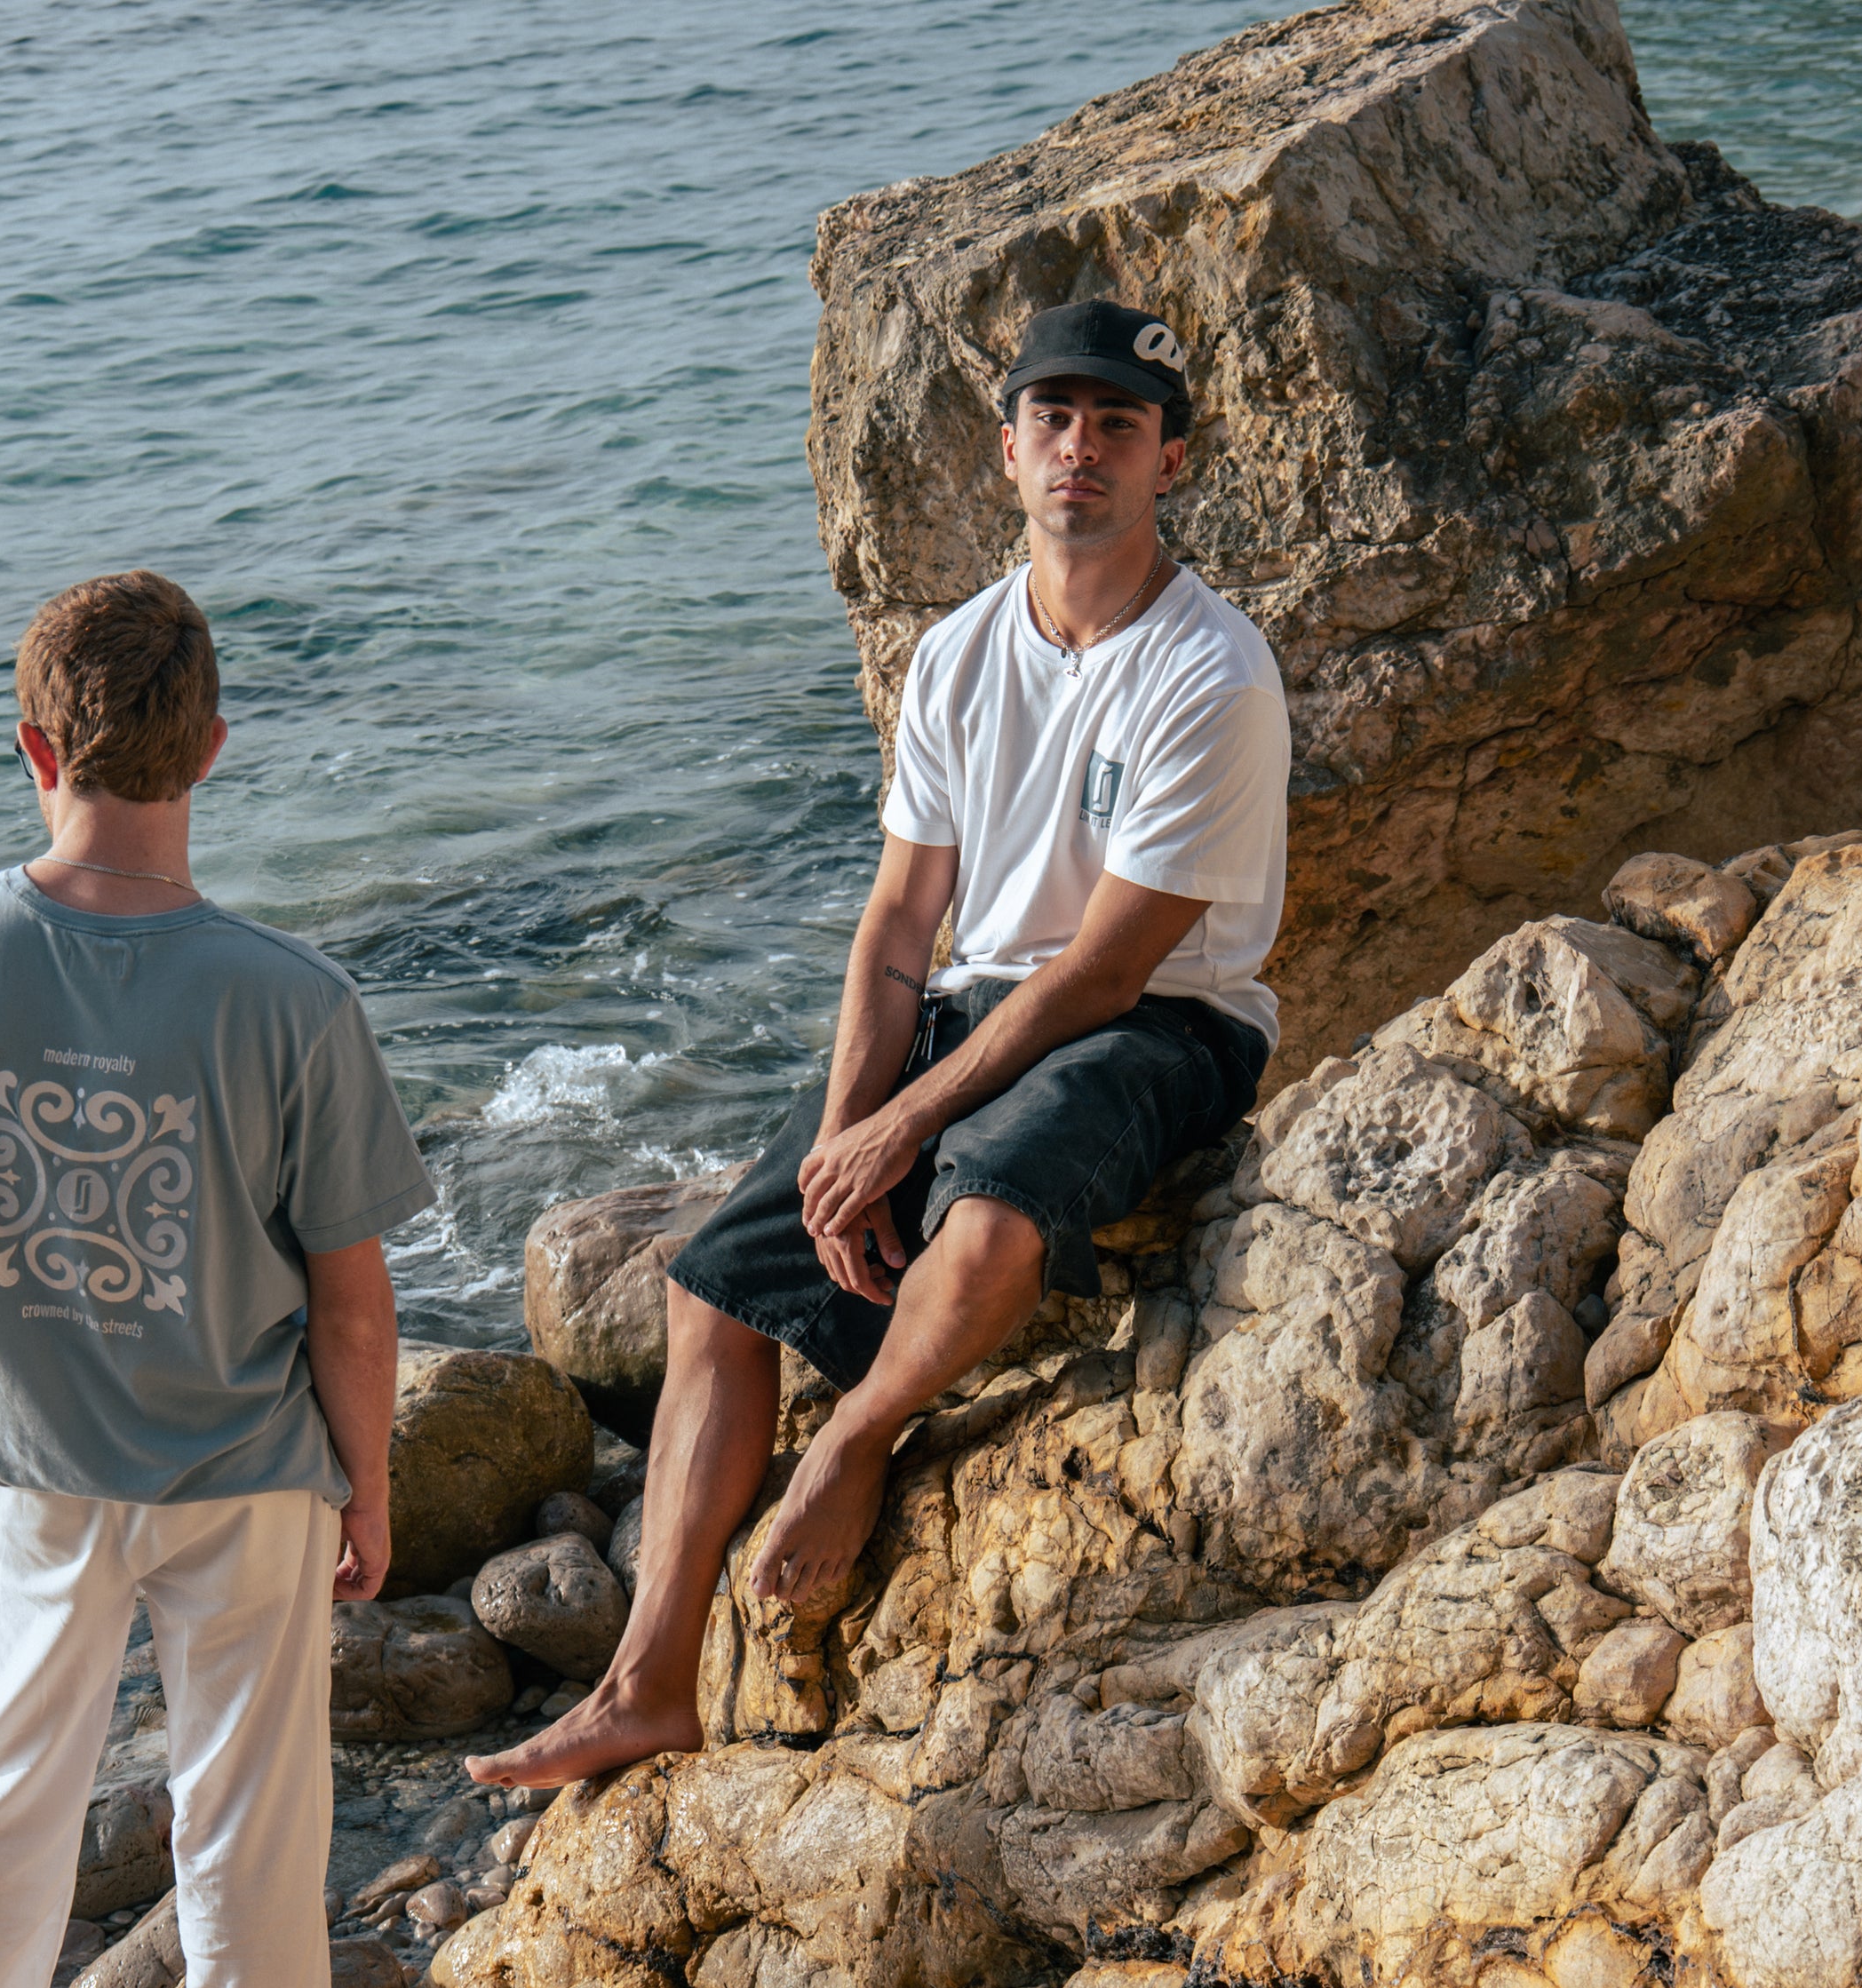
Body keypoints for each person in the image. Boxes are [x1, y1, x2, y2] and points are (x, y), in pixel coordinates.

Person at [470, 299, 1287, 1792]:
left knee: (984, 1219)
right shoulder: (962, 654)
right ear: (1008, 451)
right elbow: (901, 928)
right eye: (1053, 420)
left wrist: (910, 1133)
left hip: (1167, 1022)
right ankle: (648, 1676)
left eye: (1117, 425)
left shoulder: (1211, 671)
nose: (1080, 452)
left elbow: (1110, 966)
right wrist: (849, 1138)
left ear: (1174, 455)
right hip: (974, 1010)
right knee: (712, 1285)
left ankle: (859, 1442)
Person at [0, 568, 435, 1988]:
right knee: (249, 1818)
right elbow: (353, 1302)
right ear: (215, 750)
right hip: (246, 1471)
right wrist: (367, 1487)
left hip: (28, 1464)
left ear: (34, 744)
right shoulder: (295, 1001)